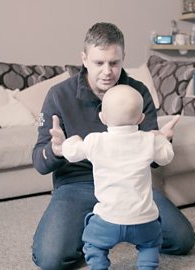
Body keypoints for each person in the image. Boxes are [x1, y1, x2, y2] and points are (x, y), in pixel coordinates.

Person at [31, 22, 195, 269]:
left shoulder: (137, 93)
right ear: (84, 59)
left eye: (114, 63)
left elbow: (153, 161)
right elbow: (39, 162)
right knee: (50, 259)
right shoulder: (58, 95)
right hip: (77, 185)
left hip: (130, 185)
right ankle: (98, 231)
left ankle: (115, 231)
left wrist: (161, 141)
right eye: (99, 63)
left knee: (183, 240)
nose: (107, 71)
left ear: (123, 58)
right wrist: (55, 150)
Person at [62, 85, 176, 269]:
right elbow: (166, 157)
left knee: (92, 243)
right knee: (150, 244)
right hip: (144, 220)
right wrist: (162, 137)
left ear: (102, 117)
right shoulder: (149, 140)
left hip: (107, 220)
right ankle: (147, 266)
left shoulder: (94, 141)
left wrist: (71, 140)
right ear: (141, 118)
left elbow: (71, 153)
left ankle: (99, 266)